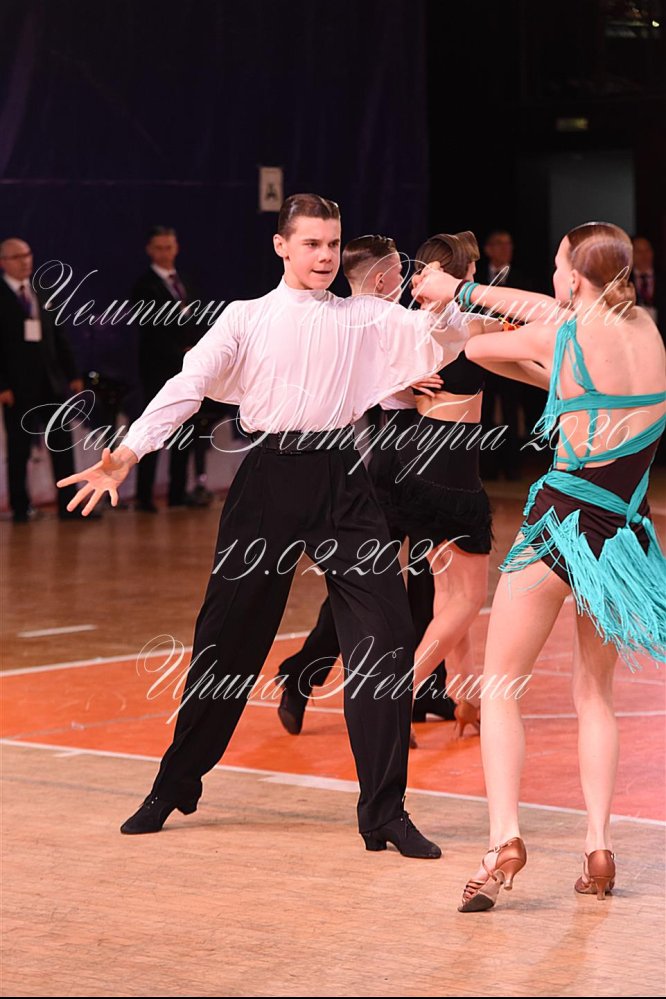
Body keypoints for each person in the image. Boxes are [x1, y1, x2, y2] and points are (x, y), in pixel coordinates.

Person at [56, 193, 470, 858]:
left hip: (343, 481)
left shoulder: (365, 315)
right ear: (281, 245)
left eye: (333, 244)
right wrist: (128, 452)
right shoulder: (245, 318)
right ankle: (175, 783)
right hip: (269, 482)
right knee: (227, 640)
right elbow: (189, 384)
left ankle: (384, 812)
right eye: (312, 244)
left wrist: (450, 304)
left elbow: (444, 340)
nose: (325, 256)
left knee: (387, 637)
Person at [415, 221, 666, 909]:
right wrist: (492, 314)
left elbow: (480, 345)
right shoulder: (647, 331)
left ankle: (504, 841)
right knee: (596, 696)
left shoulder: (563, 334)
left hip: (561, 523)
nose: (553, 277)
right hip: (621, 534)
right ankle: (599, 845)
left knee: (501, 688)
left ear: (575, 277)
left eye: (558, 265)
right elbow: (559, 338)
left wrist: (460, 295)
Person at [274, 234, 455, 744]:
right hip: (387, 460)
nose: (406, 279)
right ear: (381, 278)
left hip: (425, 451)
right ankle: (302, 673)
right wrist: (397, 384)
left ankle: (426, 688)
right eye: (400, 271)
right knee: (370, 587)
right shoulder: (351, 321)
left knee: (426, 582)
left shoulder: (394, 317)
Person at [0, 238, 94, 522]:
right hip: (17, 386)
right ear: (3, 262)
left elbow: (59, 335)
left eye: (27, 255)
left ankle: (69, 505)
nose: (25, 261)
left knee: (61, 444)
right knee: (19, 448)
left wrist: (72, 373)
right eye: (17, 257)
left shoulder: (42, 290)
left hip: (50, 382)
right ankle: (20, 507)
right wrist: (2, 385)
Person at [129, 226, 206, 511]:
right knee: (154, 427)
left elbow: (196, 320)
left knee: (186, 427)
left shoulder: (185, 281)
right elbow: (152, 331)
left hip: (187, 369)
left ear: (177, 248)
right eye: (159, 248)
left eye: (169, 247)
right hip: (158, 369)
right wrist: (179, 353)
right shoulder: (145, 286)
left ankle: (177, 492)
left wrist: (196, 353)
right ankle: (144, 495)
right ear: (150, 250)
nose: (165, 253)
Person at [476, 229, 536, 481]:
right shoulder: (477, 280)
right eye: (499, 244)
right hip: (482, 354)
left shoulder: (522, 281)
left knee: (512, 410)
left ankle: (513, 467)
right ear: (488, 249)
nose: (506, 248)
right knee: (484, 411)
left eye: (509, 244)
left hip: (513, 353)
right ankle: (487, 467)